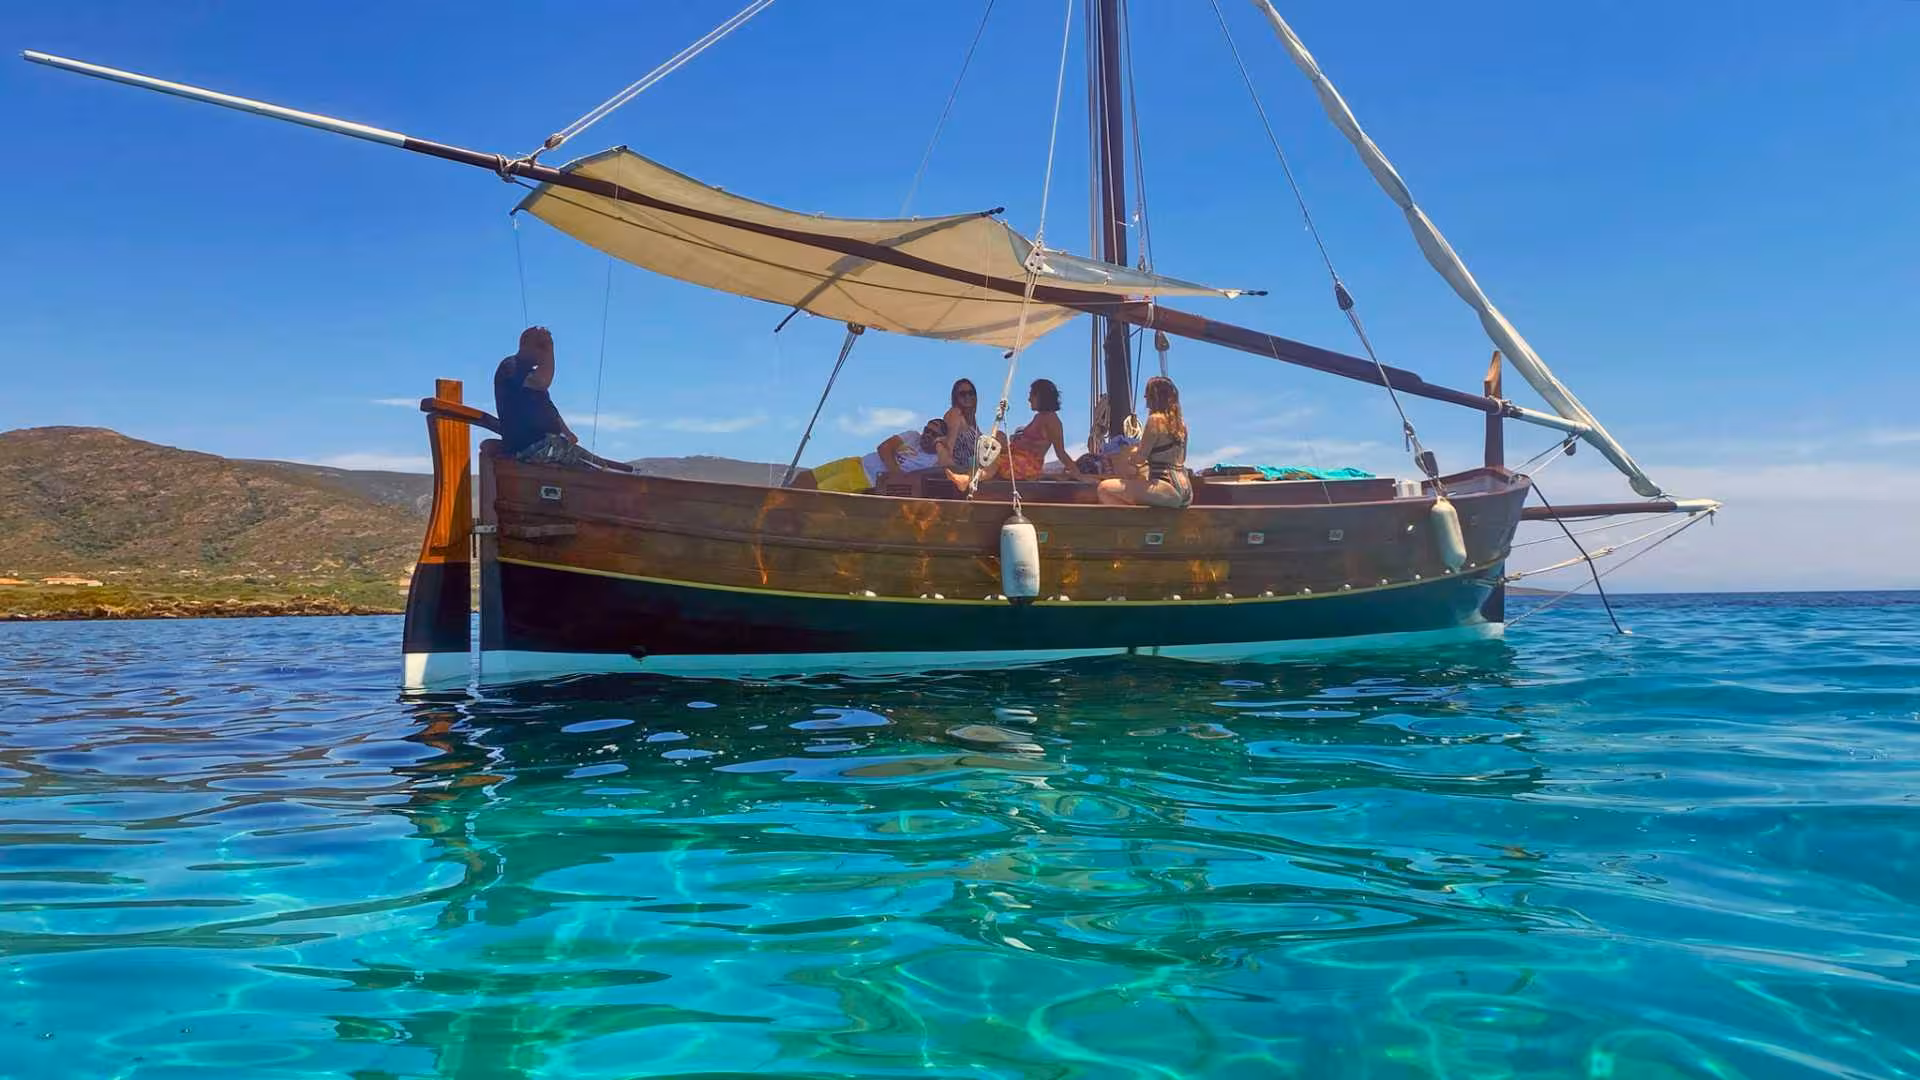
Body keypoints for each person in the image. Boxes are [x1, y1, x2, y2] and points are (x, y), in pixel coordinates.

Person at [492, 327, 629, 471]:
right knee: (593, 470)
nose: (543, 353)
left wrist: (567, 433)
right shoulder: (511, 366)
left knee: (599, 465)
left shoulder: (531, 378)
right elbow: (543, 381)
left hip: (548, 443)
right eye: (542, 346)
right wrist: (549, 350)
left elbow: (549, 408)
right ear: (527, 345)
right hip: (528, 447)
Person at [1097, 375, 1191, 507]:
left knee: (1104, 489)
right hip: (1185, 489)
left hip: (1166, 486)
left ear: (1154, 397)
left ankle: (1134, 527)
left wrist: (1129, 454)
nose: (1145, 399)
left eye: (1147, 395)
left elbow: (1140, 458)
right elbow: (1183, 458)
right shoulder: (1182, 425)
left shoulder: (1155, 420)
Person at [805, 417, 957, 493]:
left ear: (941, 437)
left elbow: (950, 468)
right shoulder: (913, 436)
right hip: (858, 462)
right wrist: (897, 474)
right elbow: (884, 447)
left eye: (933, 433)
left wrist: (939, 444)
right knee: (807, 478)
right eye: (927, 430)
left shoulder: (934, 460)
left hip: (866, 478)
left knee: (819, 491)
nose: (927, 434)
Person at [997, 378, 1077, 481]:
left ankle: (1043, 475)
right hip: (1015, 457)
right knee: (998, 436)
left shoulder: (1052, 420)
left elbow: (1060, 452)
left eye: (1032, 395)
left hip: (1026, 466)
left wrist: (1078, 475)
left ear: (1042, 397)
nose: (1029, 399)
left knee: (992, 461)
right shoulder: (1039, 417)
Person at [940, 378, 982, 479]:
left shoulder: (972, 423)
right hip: (959, 473)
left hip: (972, 471)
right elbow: (948, 447)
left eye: (971, 393)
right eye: (963, 394)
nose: (967, 396)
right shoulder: (955, 414)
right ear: (956, 398)